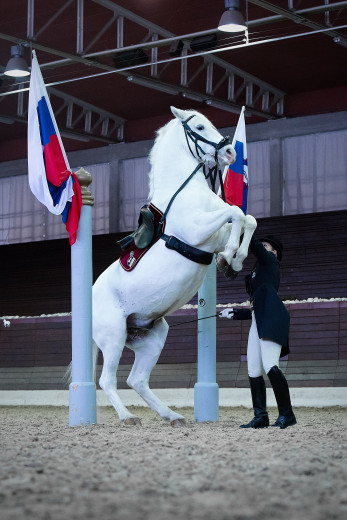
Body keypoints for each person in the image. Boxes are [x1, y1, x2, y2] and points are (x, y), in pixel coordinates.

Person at [220, 235, 296, 430]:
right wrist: (234, 313)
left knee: (270, 365)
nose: (262, 247)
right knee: (253, 369)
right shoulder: (260, 269)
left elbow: (254, 246)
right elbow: (256, 308)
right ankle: (260, 416)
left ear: (274, 252)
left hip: (271, 318)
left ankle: (287, 415)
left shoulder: (270, 260)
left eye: (266, 245)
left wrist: (245, 229)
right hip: (259, 319)